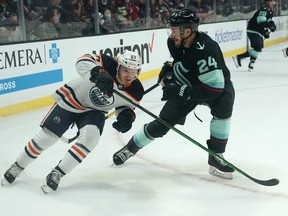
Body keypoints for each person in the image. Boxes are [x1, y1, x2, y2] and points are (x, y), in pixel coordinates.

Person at [112, 9, 235, 180]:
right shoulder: (173, 42)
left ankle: (216, 156)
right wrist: (171, 69)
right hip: (189, 85)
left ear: (187, 31)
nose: (171, 34)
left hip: (213, 87)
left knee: (225, 103)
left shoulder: (207, 49)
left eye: (175, 30)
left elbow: (214, 88)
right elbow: (184, 62)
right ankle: (131, 148)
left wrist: (183, 91)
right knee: (162, 124)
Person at [1, 50, 144, 193]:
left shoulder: (136, 90)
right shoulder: (106, 63)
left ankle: (58, 172)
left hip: (95, 111)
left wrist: (126, 116)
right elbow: (82, 60)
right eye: (126, 70)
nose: (129, 76)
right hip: (72, 100)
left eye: (134, 72)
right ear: (118, 66)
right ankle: (17, 166)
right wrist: (98, 71)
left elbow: (125, 106)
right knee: (47, 138)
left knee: (90, 138)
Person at [232, 0, 277, 71]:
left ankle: (250, 61)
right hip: (253, 30)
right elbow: (261, 22)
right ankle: (242, 58)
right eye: (272, 1)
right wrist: (269, 27)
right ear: (267, 2)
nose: (274, 3)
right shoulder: (263, 10)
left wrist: (270, 26)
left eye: (274, 1)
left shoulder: (270, 11)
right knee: (258, 47)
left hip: (258, 31)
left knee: (258, 48)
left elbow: (268, 21)